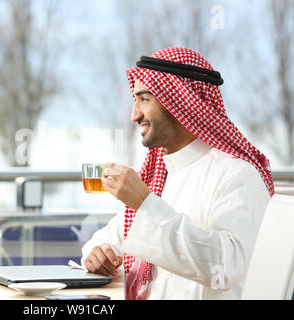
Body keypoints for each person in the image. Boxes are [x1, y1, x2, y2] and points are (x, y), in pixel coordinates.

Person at [81, 47, 274, 300]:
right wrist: (97, 254)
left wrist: (144, 203)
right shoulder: (159, 172)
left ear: (181, 101)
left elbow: (229, 265)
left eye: (144, 99)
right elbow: (107, 239)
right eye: (134, 100)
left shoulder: (237, 175)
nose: (134, 115)